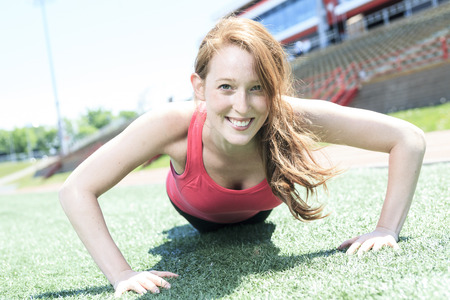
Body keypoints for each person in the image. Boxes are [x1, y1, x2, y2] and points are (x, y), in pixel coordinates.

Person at [59, 17, 426, 297]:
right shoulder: (170, 123)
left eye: (257, 88)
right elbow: (76, 189)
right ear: (199, 88)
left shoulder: (291, 115)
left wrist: (387, 229)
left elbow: (407, 138)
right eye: (225, 87)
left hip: (257, 213)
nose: (241, 106)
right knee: (174, 237)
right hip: (194, 211)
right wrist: (121, 274)